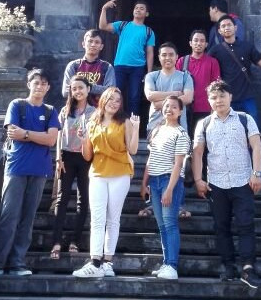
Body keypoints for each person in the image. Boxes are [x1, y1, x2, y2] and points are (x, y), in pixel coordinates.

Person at [0, 69, 60, 277]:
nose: (40, 86)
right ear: (29, 84)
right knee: (9, 215)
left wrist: (25, 134)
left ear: (48, 87)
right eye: (36, 82)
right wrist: (35, 135)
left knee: (28, 217)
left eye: (44, 83)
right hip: (17, 166)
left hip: (39, 169)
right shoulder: (17, 105)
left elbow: (51, 140)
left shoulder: (51, 111)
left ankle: (17, 263)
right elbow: (12, 133)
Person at [191, 80, 261, 290]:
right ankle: (228, 265)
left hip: (243, 180)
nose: (218, 100)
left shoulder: (244, 119)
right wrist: (198, 180)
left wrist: (256, 173)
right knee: (221, 226)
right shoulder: (203, 124)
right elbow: (197, 153)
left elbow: (257, 146)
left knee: (245, 224)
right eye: (213, 97)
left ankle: (248, 267)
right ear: (208, 100)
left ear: (230, 97)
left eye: (222, 96)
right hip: (216, 183)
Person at [73, 87, 140, 278]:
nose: (114, 103)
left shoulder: (124, 122)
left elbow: (133, 150)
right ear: (103, 100)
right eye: (110, 99)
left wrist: (135, 129)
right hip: (97, 172)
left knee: (113, 218)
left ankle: (108, 262)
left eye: (118, 100)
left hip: (120, 173)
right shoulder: (92, 121)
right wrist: (83, 139)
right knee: (97, 217)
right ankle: (95, 261)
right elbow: (87, 156)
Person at [139, 42, 194, 219]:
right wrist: (175, 94)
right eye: (163, 54)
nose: (167, 57)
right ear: (159, 57)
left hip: (178, 128)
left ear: (177, 57)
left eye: (171, 54)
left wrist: (160, 100)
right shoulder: (152, 76)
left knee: (179, 165)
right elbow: (149, 96)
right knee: (156, 164)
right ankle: (151, 203)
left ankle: (178, 204)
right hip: (155, 127)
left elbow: (188, 98)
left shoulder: (185, 76)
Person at [139, 96, 190, 280]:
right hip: (155, 181)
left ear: (180, 111)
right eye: (167, 106)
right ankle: (166, 262)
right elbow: (150, 159)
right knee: (162, 226)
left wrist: (169, 189)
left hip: (170, 181)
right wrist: (144, 182)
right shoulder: (157, 130)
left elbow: (178, 165)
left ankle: (173, 266)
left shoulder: (181, 133)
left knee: (170, 224)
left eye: (174, 107)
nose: (170, 109)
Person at [50, 74, 96, 259]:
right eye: (74, 88)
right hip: (67, 157)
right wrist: (58, 158)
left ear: (88, 90)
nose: (77, 91)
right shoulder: (65, 110)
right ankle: (56, 241)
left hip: (86, 157)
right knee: (62, 199)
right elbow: (59, 136)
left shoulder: (94, 112)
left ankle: (75, 240)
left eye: (81, 88)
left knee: (83, 199)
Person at [207, 15, 261, 126]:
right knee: (226, 128)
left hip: (247, 95)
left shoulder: (247, 46)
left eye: (229, 25)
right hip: (226, 97)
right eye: (223, 26)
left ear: (235, 28)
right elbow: (207, 71)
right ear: (219, 31)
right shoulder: (215, 50)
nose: (226, 28)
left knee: (253, 126)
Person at [99, 0, 155, 117]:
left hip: (138, 68)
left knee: (134, 98)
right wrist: (104, 8)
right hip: (120, 65)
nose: (138, 10)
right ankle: (115, 122)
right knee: (115, 95)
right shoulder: (123, 25)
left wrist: (149, 72)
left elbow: (150, 52)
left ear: (147, 14)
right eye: (136, 8)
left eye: (142, 8)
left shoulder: (149, 31)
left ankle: (132, 126)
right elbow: (103, 26)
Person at [176, 29, 221, 129]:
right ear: (190, 43)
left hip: (205, 108)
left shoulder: (212, 62)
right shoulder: (182, 61)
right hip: (184, 108)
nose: (198, 43)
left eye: (202, 41)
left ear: (206, 44)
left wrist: (215, 107)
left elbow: (216, 87)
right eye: (195, 40)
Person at [61, 29, 116, 106]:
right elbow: (66, 92)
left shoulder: (107, 67)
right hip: (76, 111)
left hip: (98, 111)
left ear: (101, 46)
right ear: (83, 44)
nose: (93, 44)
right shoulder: (73, 66)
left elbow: (111, 92)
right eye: (90, 41)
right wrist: (91, 88)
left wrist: (86, 87)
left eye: (97, 42)